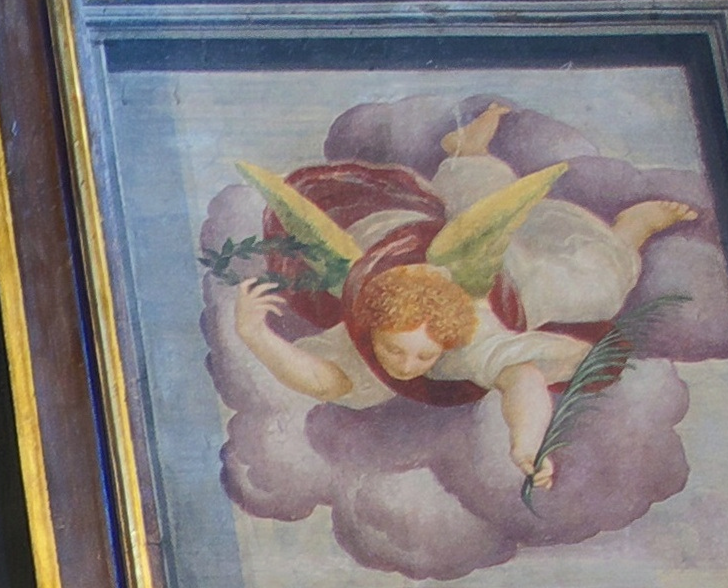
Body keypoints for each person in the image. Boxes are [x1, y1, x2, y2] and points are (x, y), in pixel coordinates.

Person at [222, 98, 700, 491]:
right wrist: (252, 333)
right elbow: (321, 380)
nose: (407, 367)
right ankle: (469, 153)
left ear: (446, 342)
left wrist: (527, 443)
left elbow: (522, 379)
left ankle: (625, 228)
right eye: (397, 350)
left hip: (489, 282)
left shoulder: (470, 339)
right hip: (383, 239)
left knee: (594, 285)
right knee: (471, 225)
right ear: (372, 330)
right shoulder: (364, 331)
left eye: (423, 356)